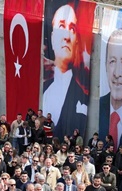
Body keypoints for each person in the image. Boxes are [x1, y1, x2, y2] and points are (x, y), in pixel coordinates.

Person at [42, 4, 88, 140]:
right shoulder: (46, 90)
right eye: (61, 27)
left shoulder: (81, 97)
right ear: (52, 37)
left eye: (72, 29)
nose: (67, 36)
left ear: (77, 43)